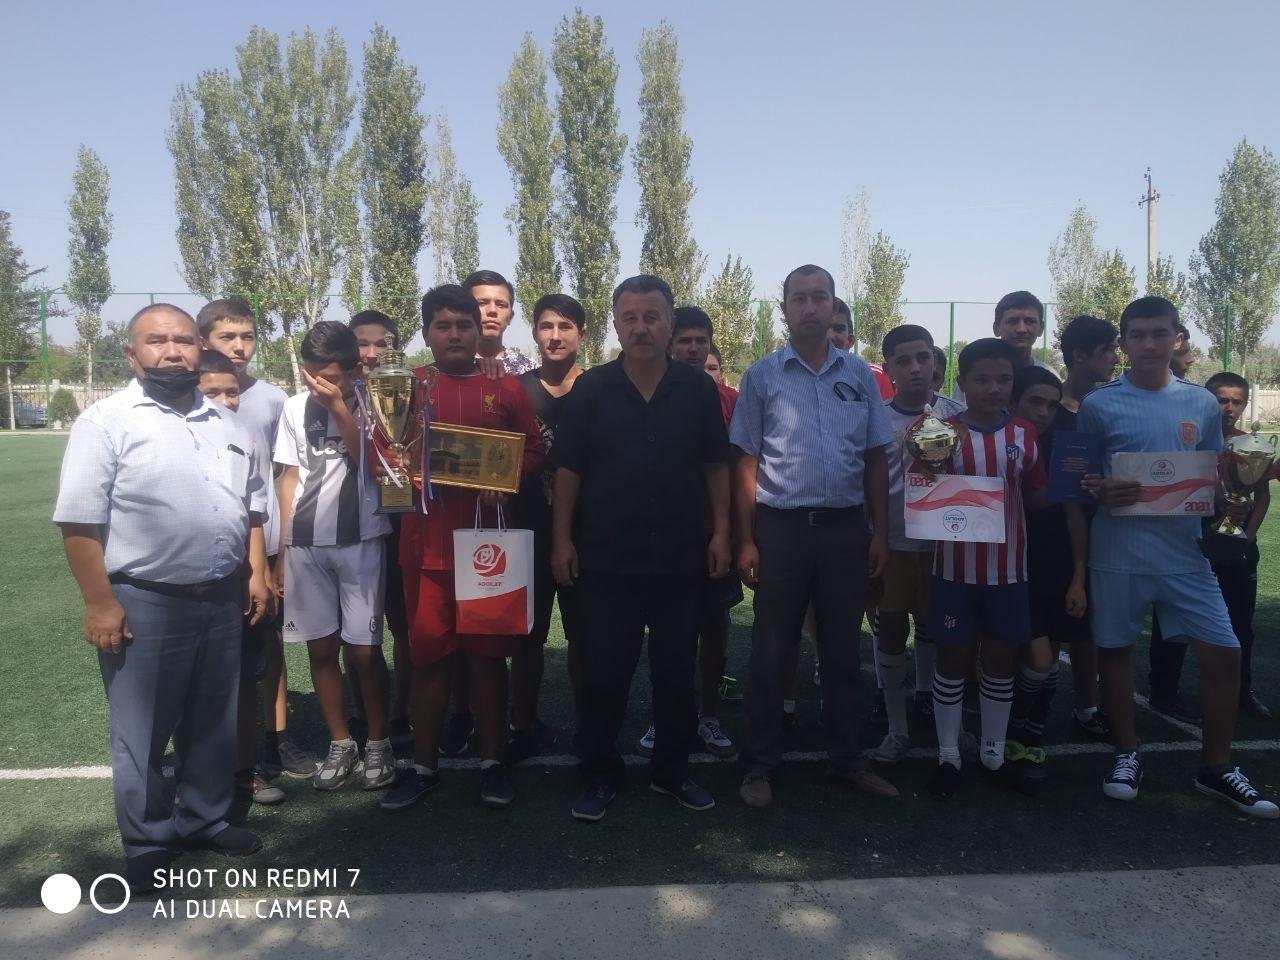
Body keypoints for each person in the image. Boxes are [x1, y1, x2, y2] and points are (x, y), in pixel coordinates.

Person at [54, 303, 270, 892]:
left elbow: (251, 506)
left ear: (200, 348)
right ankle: (148, 839)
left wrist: (253, 570)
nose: (172, 350)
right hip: (144, 598)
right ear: (133, 354)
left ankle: (203, 817)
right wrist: (100, 602)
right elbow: (79, 522)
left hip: (222, 596)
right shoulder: (106, 421)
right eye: (157, 341)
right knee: (142, 730)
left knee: (212, 720)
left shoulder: (227, 423)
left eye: (182, 340)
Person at [1079, 296, 1276, 817]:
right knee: (1116, 652)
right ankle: (1126, 752)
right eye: (1137, 335)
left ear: (1177, 339)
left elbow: (1213, 474)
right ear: (1123, 343)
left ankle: (1217, 767)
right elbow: (1078, 479)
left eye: (1159, 334)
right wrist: (1100, 489)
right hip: (1116, 551)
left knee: (1224, 653)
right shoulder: (1100, 404)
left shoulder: (1202, 404)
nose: (1148, 344)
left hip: (1186, 554)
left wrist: (1228, 500)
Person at [552, 275, 731, 822]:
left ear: (671, 322)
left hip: (681, 558)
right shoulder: (592, 389)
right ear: (615, 324)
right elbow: (568, 469)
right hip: (607, 559)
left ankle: (671, 772)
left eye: (652, 316)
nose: (641, 327)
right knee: (604, 673)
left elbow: (715, 467)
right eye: (630, 317)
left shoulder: (697, 389)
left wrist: (722, 531)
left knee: (677, 673)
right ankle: (600, 774)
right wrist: (561, 537)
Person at [731, 264, 899, 809]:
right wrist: (748, 538)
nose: (809, 307)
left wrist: (879, 532)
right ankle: (758, 765)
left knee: (845, 652)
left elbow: (876, 457)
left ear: (832, 307)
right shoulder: (762, 376)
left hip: (847, 530)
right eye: (799, 298)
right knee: (771, 650)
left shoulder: (861, 377)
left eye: (819, 298)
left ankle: (847, 761)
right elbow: (747, 461)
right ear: (784, 308)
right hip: (781, 530)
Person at [379, 285, 544, 812]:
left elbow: (535, 449)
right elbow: (384, 455)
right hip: (425, 550)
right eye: (443, 326)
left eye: (464, 326)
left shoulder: (507, 388)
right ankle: (424, 767)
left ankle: (492, 764)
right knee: (428, 661)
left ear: (480, 333)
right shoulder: (404, 387)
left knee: (487, 661)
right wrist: (403, 471)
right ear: (426, 333)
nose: (454, 334)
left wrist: (509, 476)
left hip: (488, 546)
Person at [273, 322, 395, 794]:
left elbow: (377, 464)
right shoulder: (292, 407)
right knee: (320, 649)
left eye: (330, 376)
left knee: (364, 653)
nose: (319, 385)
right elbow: (289, 477)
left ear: (352, 368)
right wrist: (283, 549)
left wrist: (339, 406)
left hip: (361, 538)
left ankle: (379, 742)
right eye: (311, 375)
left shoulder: (377, 399)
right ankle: (341, 741)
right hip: (305, 544)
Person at [924, 338, 1047, 799]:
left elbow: (1035, 494)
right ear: (963, 382)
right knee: (952, 658)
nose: (994, 388)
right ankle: (948, 755)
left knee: (999, 660)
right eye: (982, 379)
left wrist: (1080, 488)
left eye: (1003, 379)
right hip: (953, 569)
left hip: (1008, 570)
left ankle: (993, 753)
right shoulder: (939, 432)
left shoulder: (1024, 435)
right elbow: (923, 489)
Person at [198, 298, 316, 783]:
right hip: (210, 547)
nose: (239, 347)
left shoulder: (271, 398)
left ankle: (277, 740)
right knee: (218, 651)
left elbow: (282, 472)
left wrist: (277, 552)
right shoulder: (192, 395)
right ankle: (221, 751)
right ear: (205, 341)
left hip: (263, 542)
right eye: (228, 338)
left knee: (270, 645)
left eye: (247, 337)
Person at [636, 304, 740, 760]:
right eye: (686, 340)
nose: (694, 348)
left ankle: (709, 715)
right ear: (671, 343)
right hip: (661, 537)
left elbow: (734, 466)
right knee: (663, 631)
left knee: (714, 625)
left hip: (714, 530)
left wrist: (728, 530)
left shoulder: (729, 399)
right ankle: (665, 717)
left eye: (702, 341)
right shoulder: (646, 392)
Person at [865, 325, 963, 764]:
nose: (915, 367)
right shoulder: (876, 419)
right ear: (889, 370)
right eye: (903, 361)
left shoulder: (957, 415)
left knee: (939, 632)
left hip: (946, 544)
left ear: (935, 363)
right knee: (889, 630)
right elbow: (869, 484)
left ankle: (935, 706)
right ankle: (897, 728)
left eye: (923, 357)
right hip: (895, 544)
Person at [1150, 372, 1271, 722]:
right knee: (1172, 619)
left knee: (1239, 623)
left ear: (1245, 404)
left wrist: (1246, 536)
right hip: (1190, 541)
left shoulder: (1251, 446)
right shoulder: (1187, 439)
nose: (1229, 408)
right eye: (1221, 399)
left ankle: (1241, 692)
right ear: (1206, 400)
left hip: (1237, 544)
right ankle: (1163, 690)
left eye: (1236, 401)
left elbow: (1261, 496)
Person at [195, 349, 285, 807]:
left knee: (247, 677)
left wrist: (258, 571)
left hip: (242, 574)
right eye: (212, 393)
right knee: (198, 684)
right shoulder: (181, 441)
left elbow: (255, 513)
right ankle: (199, 782)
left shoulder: (245, 440)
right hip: (193, 582)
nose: (225, 401)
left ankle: (244, 773)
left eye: (232, 392)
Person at [509, 293, 587, 764]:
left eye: (565, 326)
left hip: (589, 532)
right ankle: (524, 724)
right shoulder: (515, 389)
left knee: (585, 636)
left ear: (581, 333)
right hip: (526, 528)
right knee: (526, 635)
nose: (555, 336)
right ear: (534, 333)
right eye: (545, 326)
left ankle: (588, 725)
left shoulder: (600, 387)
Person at [1035, 315, 1118, 742]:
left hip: (1102, 526)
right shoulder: (1051, 410)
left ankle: (1087, 706)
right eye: (1108, 350)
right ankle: (1028, 712)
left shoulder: (1108, 407)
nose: (1115, 358)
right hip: (1051, 531)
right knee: (1047, 623)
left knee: (1089, 625)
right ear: (1081, 355)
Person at [346, 310, 413, 751]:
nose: (371, 354)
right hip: (352, 533)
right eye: (362, 344)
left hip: (404, 523)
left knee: (404, 626)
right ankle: (361, 712)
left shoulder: (411, 388)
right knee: (358, 632)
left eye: (381, 344)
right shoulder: (334, 395)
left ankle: (403, 710)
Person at [953, 291, 1055, 404]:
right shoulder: (974, 374)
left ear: (1041, 328)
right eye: (1013, 321)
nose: (1021, 329)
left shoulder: (1049, 375)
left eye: (1029, 321)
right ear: (996, 328)